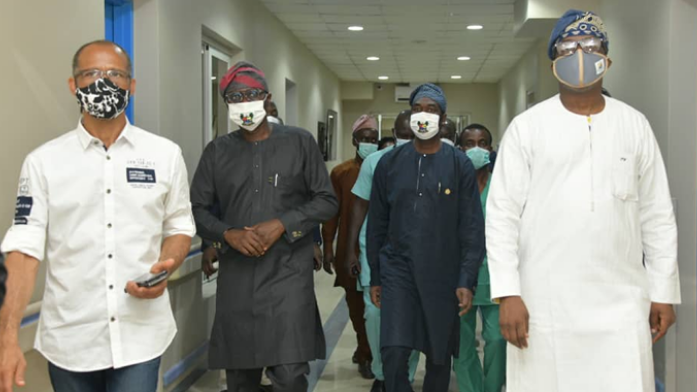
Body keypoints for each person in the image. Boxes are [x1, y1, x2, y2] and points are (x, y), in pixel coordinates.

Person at [487, 10, 680, 392]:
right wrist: (508, 293)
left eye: (591, 46)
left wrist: (663, 292)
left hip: (623, 303)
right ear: (554, 59)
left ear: (606, 58)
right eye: (568, 47)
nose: (580, 54)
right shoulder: (528, 128)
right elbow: (501, 215)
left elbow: (657, 214)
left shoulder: (633, 124)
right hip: (545, 302)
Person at [0, 40, 195, 392]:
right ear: (73, 85)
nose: (103, 82)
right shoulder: (43, 162)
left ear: (132, 86)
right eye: (91, 73)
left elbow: (180, 224)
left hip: (140, 335)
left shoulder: (164, 155)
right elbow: (24, 250)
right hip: (70, 339)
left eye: (115, 74)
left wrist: (168, 263)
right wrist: (8, 337)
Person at [190, 61, 337, 392]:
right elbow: (196, 209)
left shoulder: (300, 143)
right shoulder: (217, 152)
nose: (244, 103)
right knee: (241, 380)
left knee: (289, 376)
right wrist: (226, 233)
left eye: (251, 95)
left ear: (267, 97)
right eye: (235, 97)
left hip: (288, 275)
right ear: (226, 104)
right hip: (238, 280)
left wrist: (282, 224)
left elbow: (327, 200)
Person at [368, 83, 485, 392]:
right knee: (393, 352)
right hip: (398, 270)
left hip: (443, 274)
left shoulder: (459, 164)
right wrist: (376, 275)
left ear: (443, 119)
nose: (424, 115)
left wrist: (466, 278)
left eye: (431, 110)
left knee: (438, 357)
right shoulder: (389, 164)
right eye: (418, 108)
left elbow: (472, 226)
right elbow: (377, 223)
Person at [345, 110, 421, 392]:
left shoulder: (429, 162)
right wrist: (352, 248)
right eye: (401, 135)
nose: (405, 140)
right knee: (375, 316)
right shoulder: (374, 162)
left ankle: (406, 376)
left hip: (415, 254)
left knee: (412, 317)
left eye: (410, 134)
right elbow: (359, 206)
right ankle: (381, 372)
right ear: (393, 133)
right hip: (375, 251)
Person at [322, 115, 379, 379]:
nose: (369, 143)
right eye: (364, 139)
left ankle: (368, 350)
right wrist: (329, 248)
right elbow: (331, 214)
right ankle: (364, 349)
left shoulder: (384, 167)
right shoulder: (341, 172)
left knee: (374, 307)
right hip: (349, 248)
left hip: (377, 249)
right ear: (354, 141)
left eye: (373, 139)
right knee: (356, 306)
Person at [452, 124, 506, 392]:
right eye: (470, 143)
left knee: (497, 339)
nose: (477, 148)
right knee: (462, 345)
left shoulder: (504, 186)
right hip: (459, 276)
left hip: (497, 275)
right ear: (460, 150)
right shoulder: (451, 187)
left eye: (483, 143)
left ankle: (493, 388)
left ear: (491, 149)